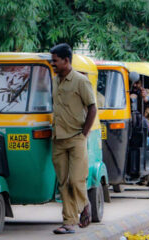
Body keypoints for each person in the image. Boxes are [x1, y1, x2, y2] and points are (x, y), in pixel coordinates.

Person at [49, 43, 97, 234]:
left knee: (76, 180)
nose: (52, 64)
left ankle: (85, 204)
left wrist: (84, 133)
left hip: (77, 137)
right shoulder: (54, 81)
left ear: (66, 61)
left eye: (55, 61)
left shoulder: (80, 81)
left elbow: (92, 107)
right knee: (63, 183)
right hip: (58, 139)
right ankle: (69, 222)